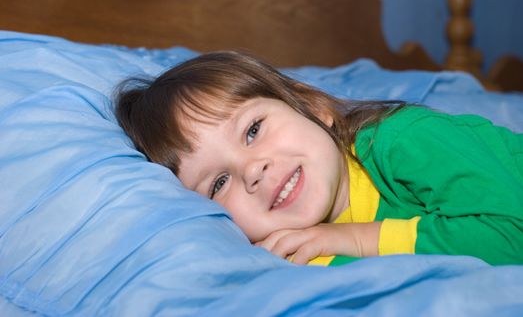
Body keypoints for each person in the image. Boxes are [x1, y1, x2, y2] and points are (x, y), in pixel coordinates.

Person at [114, 51, 523, 266]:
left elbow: (512, 234)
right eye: (218, 183)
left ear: (312, 106)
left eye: (253, 129)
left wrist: (357, 239)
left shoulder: (403, 139)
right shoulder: (290, 250)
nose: (252, 170)